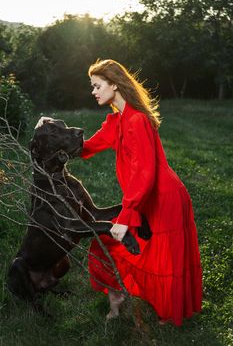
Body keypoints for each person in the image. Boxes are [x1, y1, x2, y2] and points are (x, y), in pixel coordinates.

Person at [81, 59, 202, 326]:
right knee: (104, 246)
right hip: (145, 199)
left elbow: (145, 175)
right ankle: (117, 299)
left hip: (164, 197)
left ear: (114, 84)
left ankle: (171, 314)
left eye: (97, 85)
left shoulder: (137, 121)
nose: (93, 91)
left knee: (163, 262)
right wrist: (52, 129)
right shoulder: (117, 121)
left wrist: (125, 217)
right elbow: (86, 148)